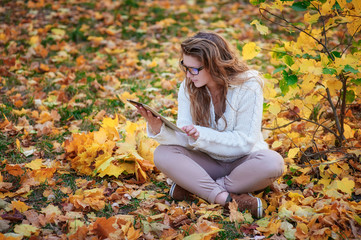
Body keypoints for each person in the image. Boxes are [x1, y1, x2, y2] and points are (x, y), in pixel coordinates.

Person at [135, 31, 284, 219]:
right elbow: (186, 137)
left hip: (245, 162)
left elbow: (245, 141)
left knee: (273, 163)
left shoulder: (248, 84)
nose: (189, 75)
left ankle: (194, 188)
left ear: (214, 65)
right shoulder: (189, 87)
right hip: (207, 161)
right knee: (163, 153)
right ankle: (227, 200)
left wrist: (201, 134)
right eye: (185, 67)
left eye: (194, 69)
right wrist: (158, 129)